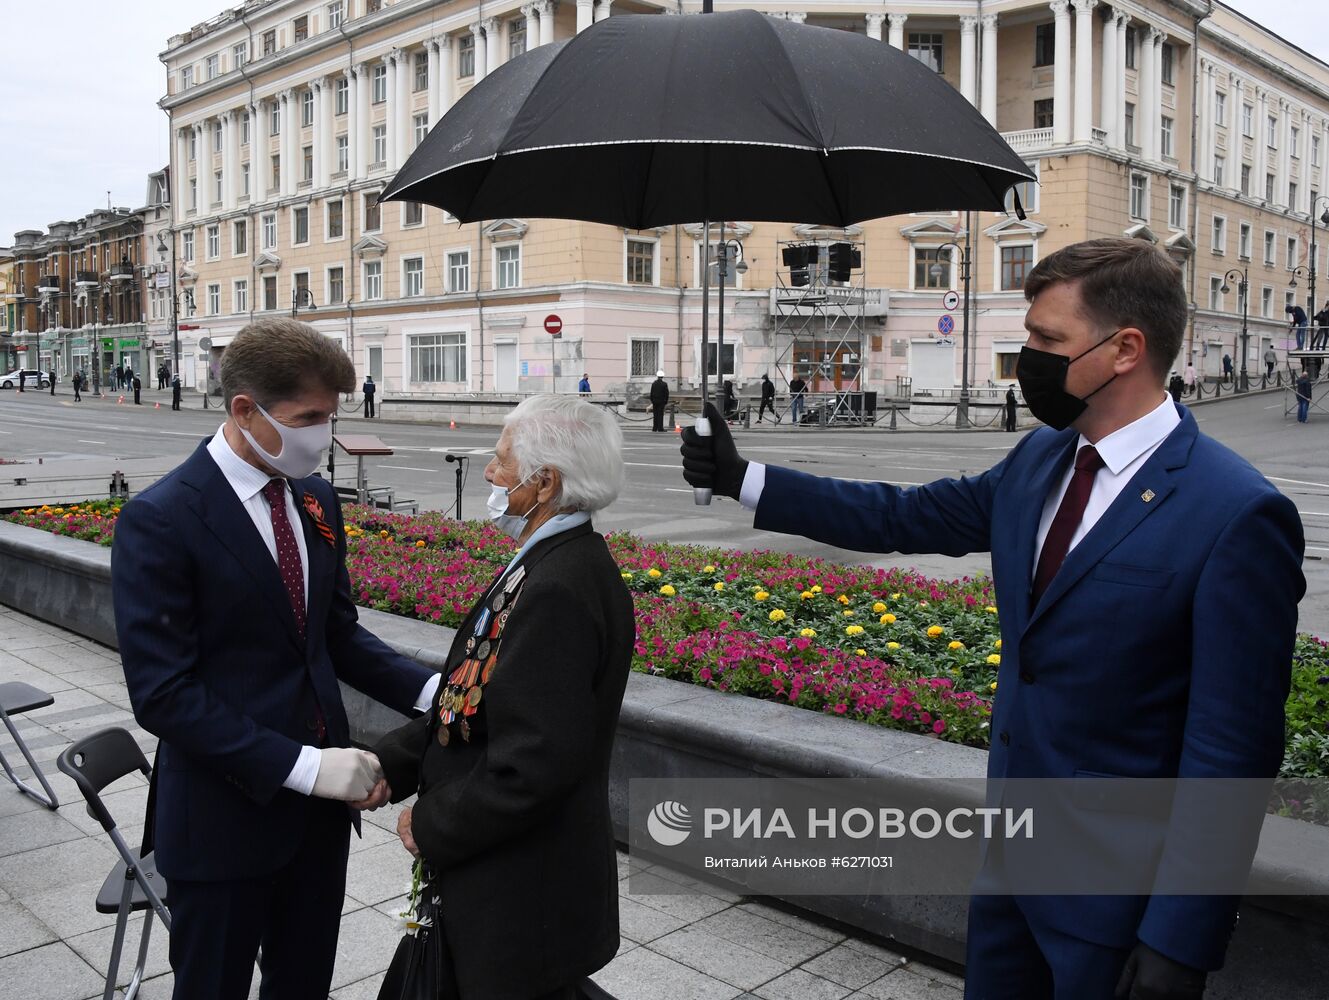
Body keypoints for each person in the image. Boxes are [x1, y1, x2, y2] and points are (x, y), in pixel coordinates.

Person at [680, 238, 1304, 1000]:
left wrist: (1181, 937)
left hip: (1118, 900)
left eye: (1047, 339)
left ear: (1125, 350)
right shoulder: (1040, 458)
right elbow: (904, 515)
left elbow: (1230, 749)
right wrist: (745, 480)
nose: (1028, 354)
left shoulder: (1234, 512)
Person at [111, 318, 438, 1000]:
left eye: (331, 415)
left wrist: (441, 692)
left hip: (317, 826)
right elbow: (164, 694)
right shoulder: (163, 518)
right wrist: (308, 767)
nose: (323, 434)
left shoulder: (313, 497)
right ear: (243, 411)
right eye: (307, 417)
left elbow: (335, 634)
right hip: (224, 822)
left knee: (302, 985)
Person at [374, 394, 633, 1000]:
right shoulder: (551, 559)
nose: (490, 473)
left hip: (522, 893)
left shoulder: (558, 588)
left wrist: (432, 823)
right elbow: (478, 699)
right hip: (512, 880)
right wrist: (392, 762)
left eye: (501, 460)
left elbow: (533, 764)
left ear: (544, 484)